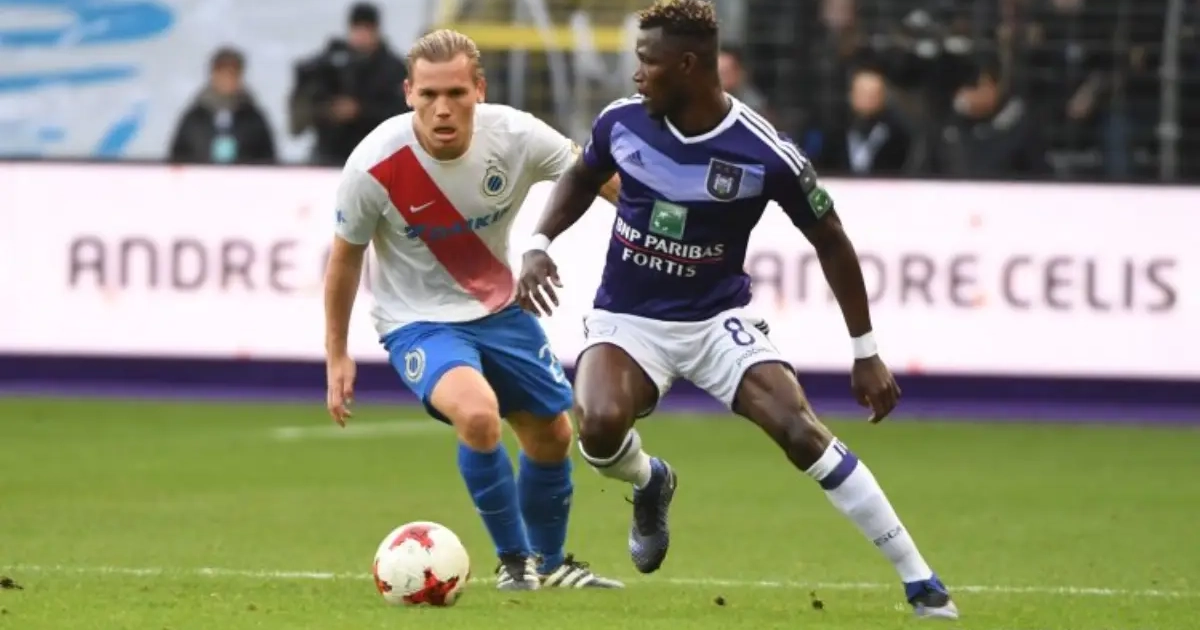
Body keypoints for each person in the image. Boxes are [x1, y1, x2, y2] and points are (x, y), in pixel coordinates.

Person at [517, 0, 958, 619]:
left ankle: (922, 582)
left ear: (688, 65)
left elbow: (831, 240)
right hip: (629, 320)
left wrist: (866, 352)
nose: (636, 74)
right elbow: (581, 177)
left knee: (801, 431)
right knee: (598, 426)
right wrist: (538, 243)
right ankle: (650, 480)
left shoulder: (764, 151)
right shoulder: (622, 122)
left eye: (647, 62)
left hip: (716, 323)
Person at [323, 29, 622, 591]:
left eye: (456, 93)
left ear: (479, 90)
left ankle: (551, 565)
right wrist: (337, 353)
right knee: (479, 414)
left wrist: (657, 219)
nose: (442, 108)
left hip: (499, 310)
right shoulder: (375, 164)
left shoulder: (516, 135)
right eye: (429, 94)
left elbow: (596, 177)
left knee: (553, 435)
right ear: (409, 93)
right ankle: (515, 564)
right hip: (418, 322)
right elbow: (344, 260)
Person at [289, 2, 408, 166]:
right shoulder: (330, 61)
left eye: (366, 29)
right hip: (329, 153)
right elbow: (305, 97)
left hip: (376, 155)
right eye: (357, 29)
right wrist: (329, 109)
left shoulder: (393, 69)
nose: (361, 35)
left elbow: (400, 115)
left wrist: (360, 111)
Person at [169, 47, 276, 165]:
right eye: (223, 73)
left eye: (233, 74)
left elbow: (269, 161)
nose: (228, 80)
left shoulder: (254, 119)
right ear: (213, 75)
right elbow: (176, 159)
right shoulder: (194, 119)